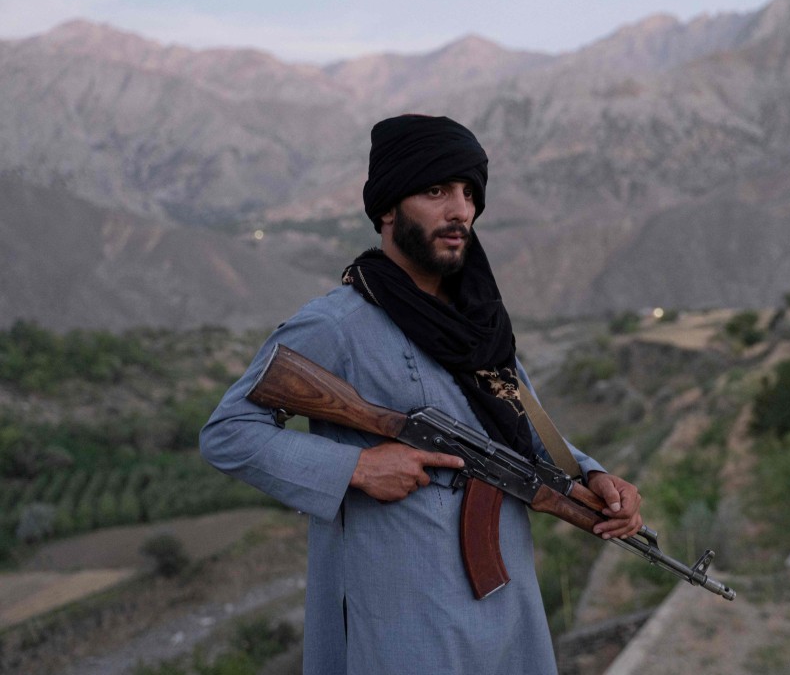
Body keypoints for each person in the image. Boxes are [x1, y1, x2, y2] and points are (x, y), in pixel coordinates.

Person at [200, 114, 643, 675]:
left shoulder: (482, 325)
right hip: (402, 623)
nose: (459, 210)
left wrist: (592, 476)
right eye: (435, 190)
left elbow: (524, 432)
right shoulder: (336, 325)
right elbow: (228, 433)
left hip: (509, 611)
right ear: (388, 208)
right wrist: (356, 467)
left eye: (467, 193)